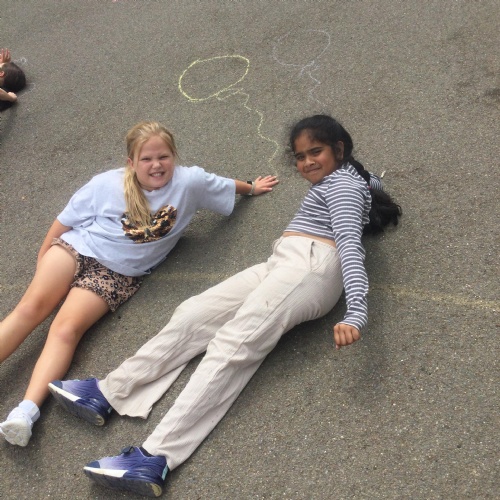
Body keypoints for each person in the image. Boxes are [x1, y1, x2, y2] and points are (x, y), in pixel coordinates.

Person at [49, 114, 401, 498]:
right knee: (195, 313)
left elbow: (350, 247)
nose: (306, 163)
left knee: (234, 345)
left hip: (310, 268)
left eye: (315, 152)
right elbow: (369, 185)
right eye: (300, 156)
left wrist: (356, 312)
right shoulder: (351, 179)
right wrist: (371, 182)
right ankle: (109, 392)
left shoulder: (344, 187)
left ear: (339, 149)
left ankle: (155, 457)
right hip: (285, 262)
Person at [0, 120, 278, 447]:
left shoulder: (189, 182)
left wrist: (251, 187)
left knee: (65, 330)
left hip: (116, 273)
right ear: (131, 163)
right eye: (146, 159)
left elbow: (224, 185)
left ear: (174, 157)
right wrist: (43, 259)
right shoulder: (105, 185)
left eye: (163, 157)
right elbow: (63, 222)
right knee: (30, 309)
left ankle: (26, 412)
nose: (156, 165)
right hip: (75, 248)